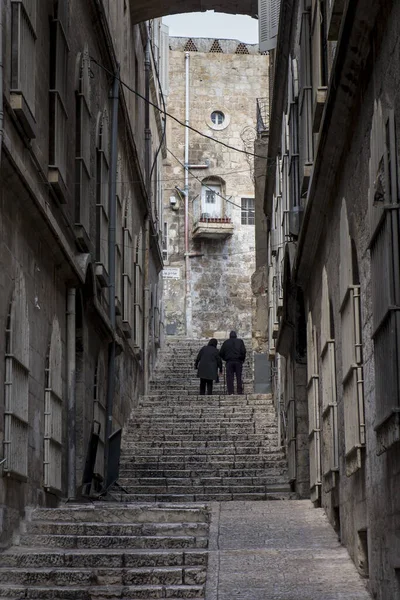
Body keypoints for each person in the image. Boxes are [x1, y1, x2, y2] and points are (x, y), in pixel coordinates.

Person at [219, 331, 246, 395]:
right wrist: (242, 359)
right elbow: (243, 351)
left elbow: (221, 353)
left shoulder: (226, 342)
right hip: (238, 361)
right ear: (236, 336)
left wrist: (225, 359)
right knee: (239, 376)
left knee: (229, 377)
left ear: (229, 336)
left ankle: (230, 391)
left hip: (229, 361)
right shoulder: (240, 341)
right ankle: (239, 391)